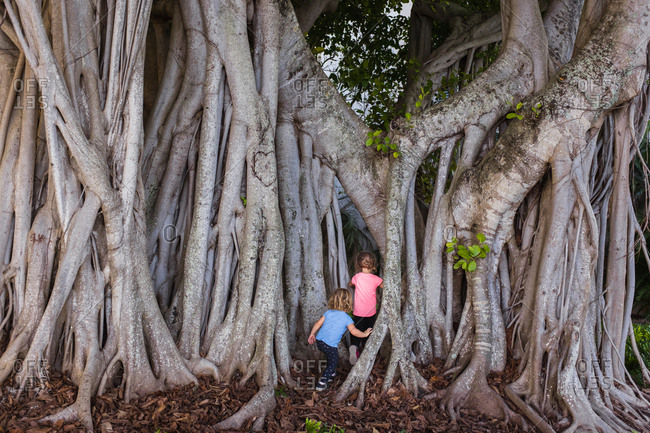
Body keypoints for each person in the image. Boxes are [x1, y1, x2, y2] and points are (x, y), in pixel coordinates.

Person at [308, 288, 372, 391]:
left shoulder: (328, 312)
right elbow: (354, 332)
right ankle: (321, 383)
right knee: (333, 361)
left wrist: (312, 334)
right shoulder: (347, 318)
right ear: (348, 302)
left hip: (319, 341)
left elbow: (318, 324)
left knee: (331, 357)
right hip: (329, 345)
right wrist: (364, 334)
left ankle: (332, 373)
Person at [347, 251, 383, 365]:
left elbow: (350, 284)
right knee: (369, 331)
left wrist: (352, 285)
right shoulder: (376, 279)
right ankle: (367, 352)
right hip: (371, 312)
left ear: (358, 265)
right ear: (373, 264)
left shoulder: (356, 277)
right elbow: (385, 286)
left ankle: (354, 347)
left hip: (358, 311)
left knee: (356, 331)